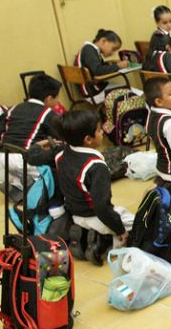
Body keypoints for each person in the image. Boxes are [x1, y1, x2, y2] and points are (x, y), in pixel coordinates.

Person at [55, 109, 133, 265]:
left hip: (75, 214)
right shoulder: (96, 167)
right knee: (135, 224)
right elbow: (102, 207)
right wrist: (120, 230)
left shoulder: (60, 156)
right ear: (88, 139)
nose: (102, 132)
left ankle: (88, 235)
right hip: (96, 216)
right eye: (99, 130)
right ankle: (107, 243)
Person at [0, 74, 63, 188]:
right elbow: (59, 137)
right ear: (48, 98)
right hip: (27, 159)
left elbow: (0, 132)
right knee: (62, 155)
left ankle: (19, 185)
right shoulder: (47, 113)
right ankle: (38, 189)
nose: (58, 101)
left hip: (4, 157)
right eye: (57, 97)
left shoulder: (13, 108)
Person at [76, 29, 133, 104]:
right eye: (113, 49)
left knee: (131, 90)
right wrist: (118, 66)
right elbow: (98, 71)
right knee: (132, 92)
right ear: (103, 41)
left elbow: (95, 68)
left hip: (93, 89)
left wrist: (111, 63)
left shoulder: (91, 49)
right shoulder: (89, 50)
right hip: (94, 92)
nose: (113, 53)